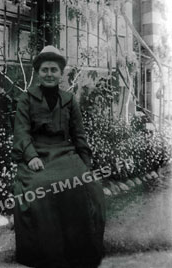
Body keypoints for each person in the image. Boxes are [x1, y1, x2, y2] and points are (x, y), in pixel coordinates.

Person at [12, 45, 106, 268]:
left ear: (61, 73)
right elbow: (21, 131)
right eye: (45, 69)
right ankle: (44, 254)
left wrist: (86, 164)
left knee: (88, 188)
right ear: (38, 72)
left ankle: (81, 252)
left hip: (65, 153)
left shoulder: (69, 99)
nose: (49, 74)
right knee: (38, 188)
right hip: (38, 155)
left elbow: (79, 134)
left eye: (54, 69)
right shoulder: (26, 99)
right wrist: (31, 155)